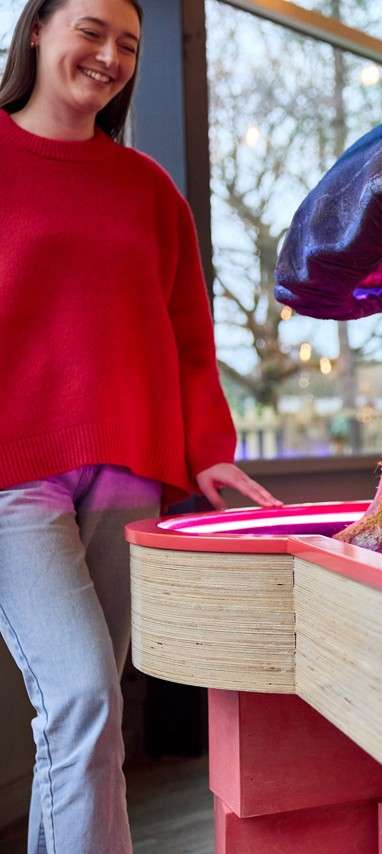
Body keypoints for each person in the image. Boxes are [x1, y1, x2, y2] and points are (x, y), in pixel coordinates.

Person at [0, 1, 280, 851]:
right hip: (14, 473)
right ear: (38, 29)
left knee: (93, 711)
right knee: (83, 694)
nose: (110, 56)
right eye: (91, 30)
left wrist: (210, 455)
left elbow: (191, 339)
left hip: (127, 469)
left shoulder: (149, 188)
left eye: (128, 43)